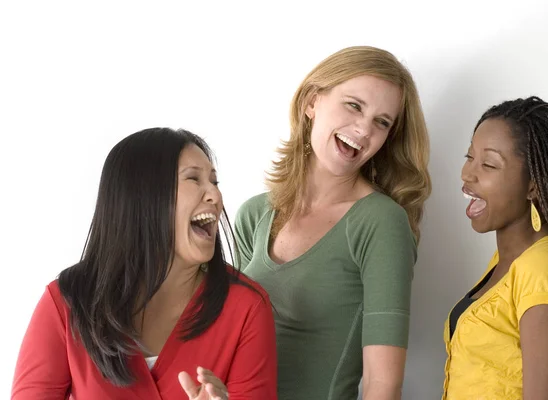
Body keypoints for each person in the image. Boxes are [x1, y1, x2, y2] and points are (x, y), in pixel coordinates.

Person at [12, 128, 277, 400]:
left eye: (215, 182)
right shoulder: (66, 305)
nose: (215, 197)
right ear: (144, 196)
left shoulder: (247, 308)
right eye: (194, 179)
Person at [234, 46, 432, 399]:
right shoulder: (254, 214)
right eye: (354, 105)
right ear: (312, 102)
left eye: (381, 122)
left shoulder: (380, 223)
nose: (363, 129)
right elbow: (232, 346)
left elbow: (382, 384)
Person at [444, 96, 548, 399]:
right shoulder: (509, 261)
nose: (467, 174)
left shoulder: (544, 271)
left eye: (488, 164)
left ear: (534, 185)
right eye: (469, 156)